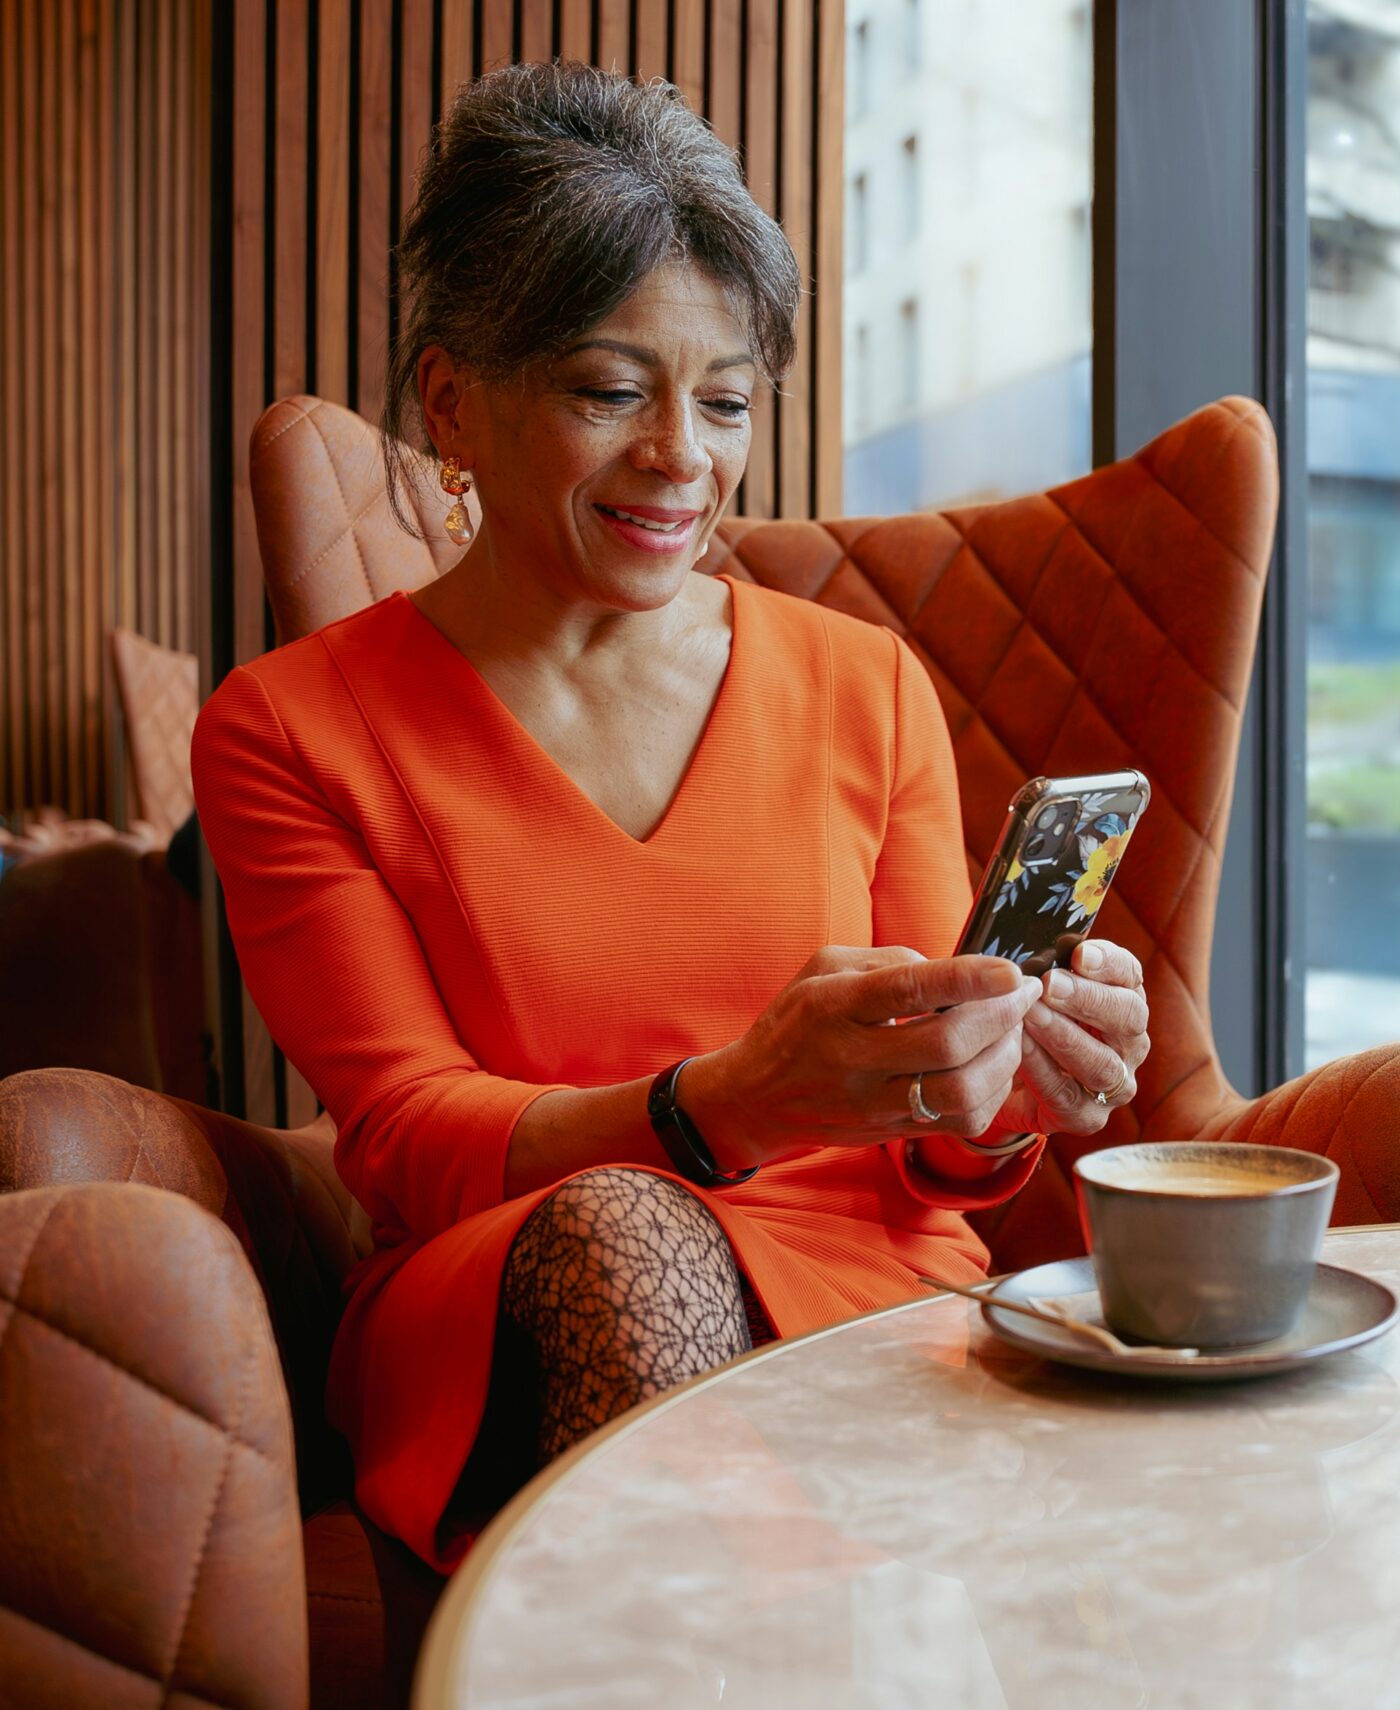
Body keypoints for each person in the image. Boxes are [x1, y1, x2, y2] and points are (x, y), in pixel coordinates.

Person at [190, 60, 1150, 1572]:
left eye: (722, 400)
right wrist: (719, 1105)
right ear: (454, 399)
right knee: (626, 1232)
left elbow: (930, 1147)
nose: (682, 459)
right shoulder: (289, 728)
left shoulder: (867, 685)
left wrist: (1000, 1100)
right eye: (608, 389)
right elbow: (409, 1136)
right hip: (514, 1281)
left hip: (866, 1284)